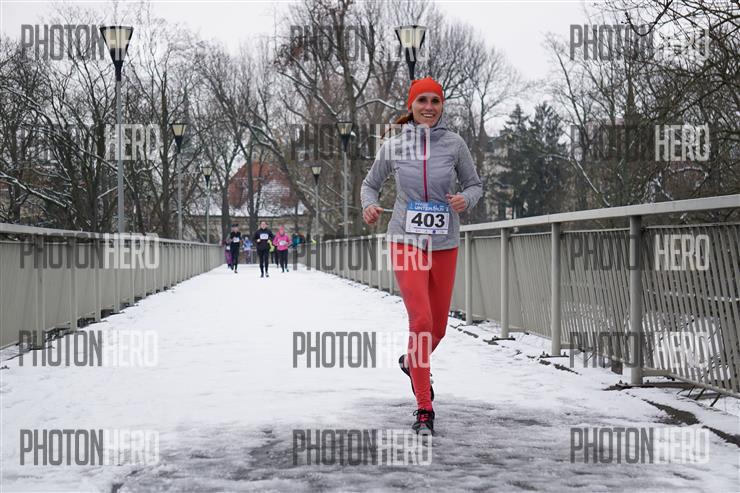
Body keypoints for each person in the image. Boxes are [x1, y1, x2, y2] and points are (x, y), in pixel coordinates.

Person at [361, 77, 482, 434]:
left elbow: (475, 184)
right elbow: (369, 184)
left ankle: (412, 362)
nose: (429, 107)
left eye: (435, 101)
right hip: (405, 239)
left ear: (442, 105)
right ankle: (424, 408)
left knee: (438, 327)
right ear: (411, 106)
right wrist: (369, 205)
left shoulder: (455, 144)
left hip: (444, 242)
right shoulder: (395, 146)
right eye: (422, 101)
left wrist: (466, 199)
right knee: (421, 320)